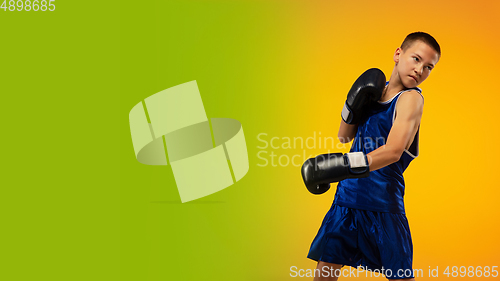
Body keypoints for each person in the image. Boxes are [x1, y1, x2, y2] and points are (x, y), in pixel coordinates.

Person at [301, 32, 441, 280]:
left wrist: (340, 166)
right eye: (416, 59)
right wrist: (352, 104)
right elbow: (344, 137)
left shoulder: (410, 99)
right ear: (398, 54)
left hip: (382, 203)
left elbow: (393, 151)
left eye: (428, 67)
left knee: (399, 276)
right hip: (347, 199)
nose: (420, 70)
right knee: (324, 274)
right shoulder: (374, 91)